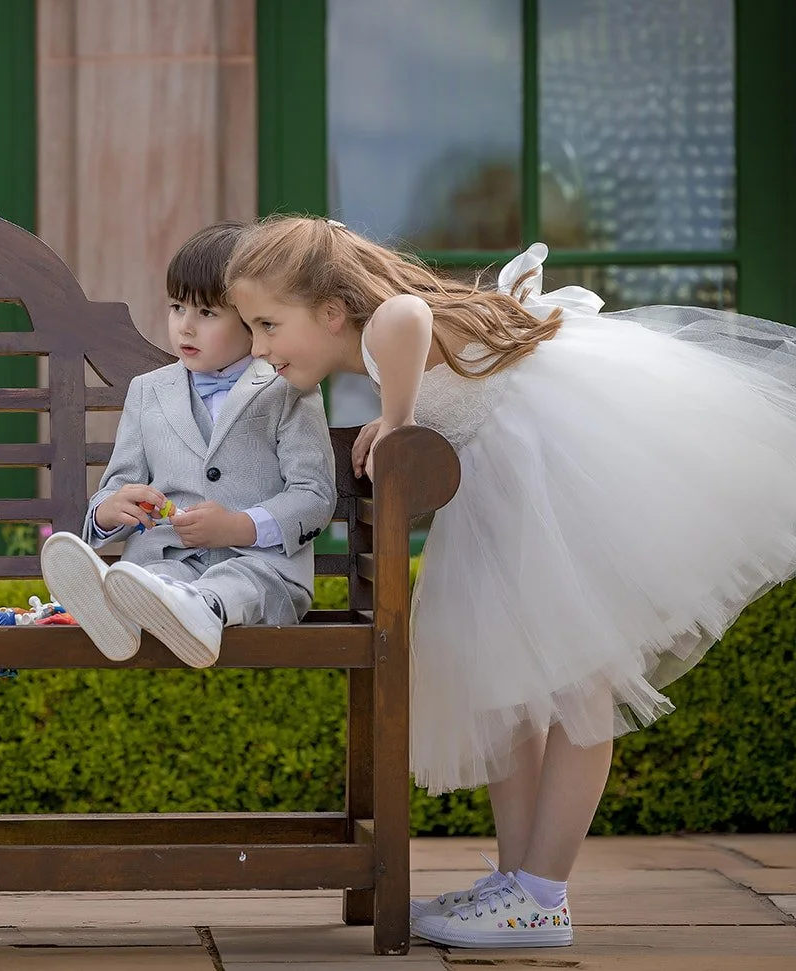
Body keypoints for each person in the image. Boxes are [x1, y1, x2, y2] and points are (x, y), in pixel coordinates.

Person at [225, 214, 796, 949]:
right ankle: (518, 881)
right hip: (510, 502)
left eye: (268, 323)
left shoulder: (382, 328)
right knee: (507, 686)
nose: (260, 346)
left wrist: (394, 420)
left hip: (557, 487)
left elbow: (403, 312)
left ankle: (542, 892)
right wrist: (390, 416)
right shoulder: (380, 346)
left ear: (332, 310)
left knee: (577, 683)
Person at [40, 222, 336, 668]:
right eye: (177, 307)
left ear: (252, 319)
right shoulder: (148, 391)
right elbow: (118, 483)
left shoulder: (288, 385)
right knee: (150, 580)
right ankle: (117, 610)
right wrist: (108, 512)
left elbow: (315, 496)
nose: (186, 327)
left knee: (237, 581)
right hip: (170, 561)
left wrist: (239, 526)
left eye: (207, 314)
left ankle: (199, 611)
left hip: (261, 569)